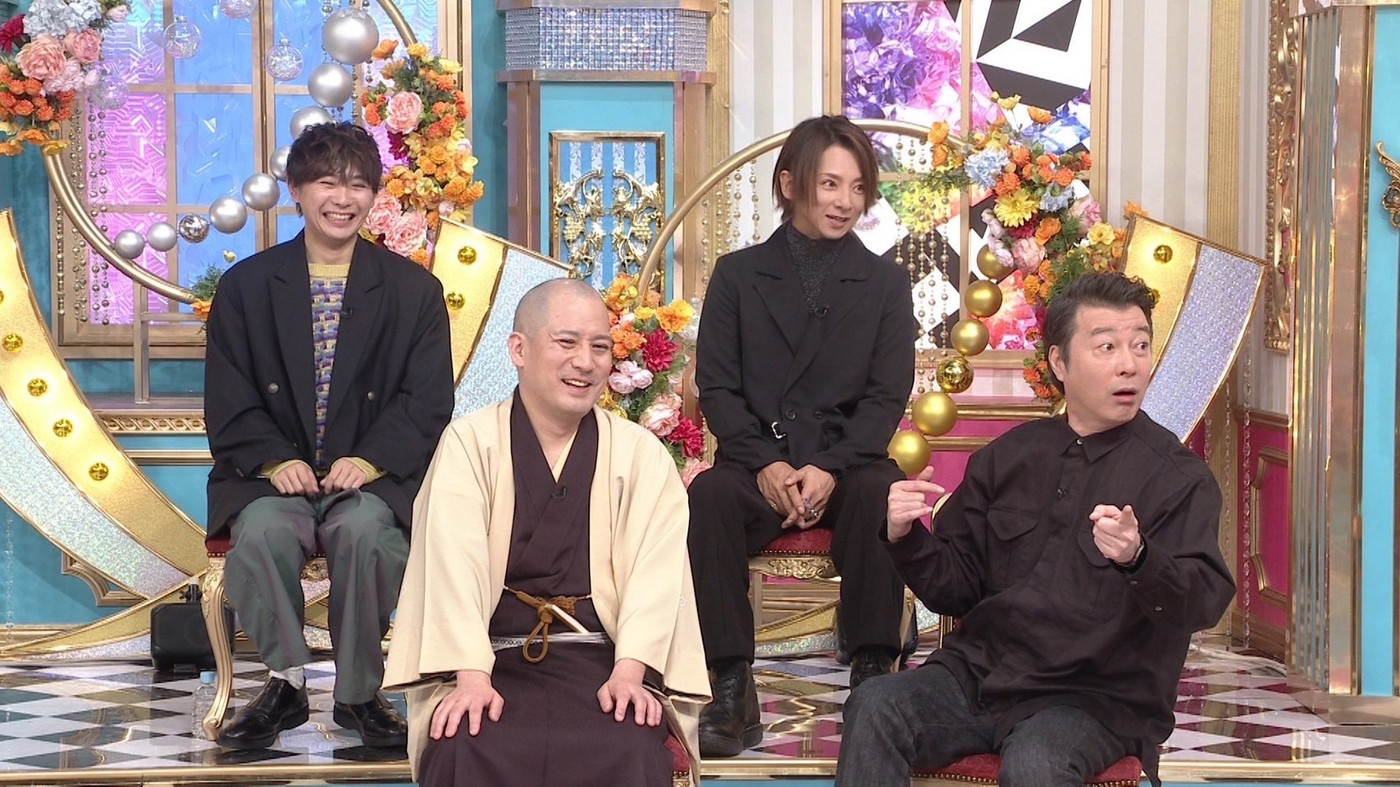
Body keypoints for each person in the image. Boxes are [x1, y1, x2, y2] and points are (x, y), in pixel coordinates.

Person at [836, 272, 1235, 787]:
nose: (1129, 364)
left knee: (1037, 761)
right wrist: (905, 535)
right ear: (1059, 363)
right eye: (1107, 347)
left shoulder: (1179, 478)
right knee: (875, 704)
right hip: (981, 676)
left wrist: (1139, 558)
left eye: (1140, 346)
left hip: (1093, 698)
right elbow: (955, 589)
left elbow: (1201, 604)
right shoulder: (1009, 457)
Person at [383, 279, 710, 787]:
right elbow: (452, 566)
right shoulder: (470, 443)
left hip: (603, 659)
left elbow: (657, 577)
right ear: (518, 349)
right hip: (491, 659)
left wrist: (630, 673)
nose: (585, 362)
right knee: (465, 742)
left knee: (629, 743)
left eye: (599, 346)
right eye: (566, 342)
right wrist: (470, 677)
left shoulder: (638, 453)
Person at [203, 121, 454, 751]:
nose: (343, 199)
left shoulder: (413, 290)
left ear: (374, 194)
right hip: (270, 480)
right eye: (326, 183)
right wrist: (272, 461)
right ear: (296, 189)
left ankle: (360, 694)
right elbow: (228, 396)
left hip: (370, 479)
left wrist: (369, 461)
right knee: (261, 535)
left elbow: (427, 400)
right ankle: (285, 684)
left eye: (358, 185)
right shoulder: (246, 287)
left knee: (365, 533)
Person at [687, 114, 917, 757]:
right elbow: (718, 387)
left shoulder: (885, 283)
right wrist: (765, 464)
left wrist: (831, 467)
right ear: (790, 185)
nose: (846, 201)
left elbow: (886, 396)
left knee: (880, 493)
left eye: (858, 187)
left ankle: (873, 670)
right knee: (709, 497)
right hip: (758, 462)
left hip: (848, 461)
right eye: (830, 184)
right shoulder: (737, 275)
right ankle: (730, 684)